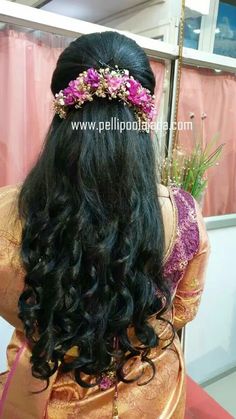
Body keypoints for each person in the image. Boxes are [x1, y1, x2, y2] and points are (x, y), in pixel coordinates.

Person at [0, 31, 210, 419]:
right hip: (151, 395)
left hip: (48, 393)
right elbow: (183, 310)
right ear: (142, 119)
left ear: (62, 112)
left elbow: (12, 304)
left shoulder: (9, 211)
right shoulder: (182, 212)